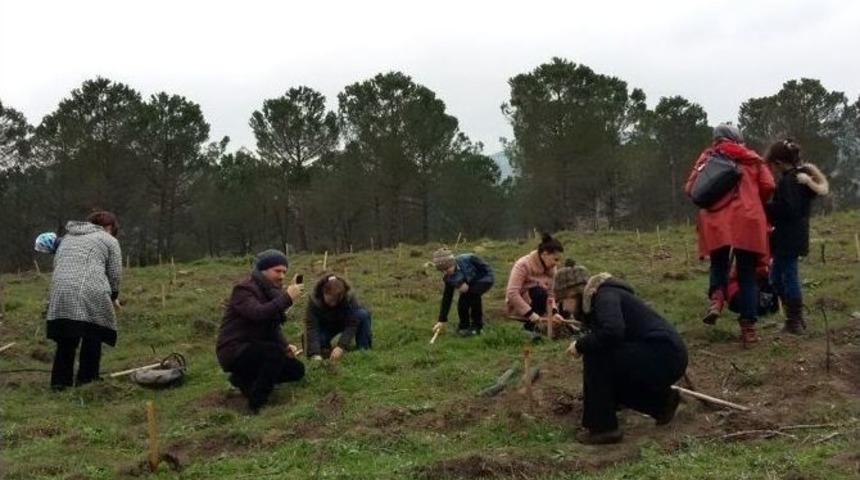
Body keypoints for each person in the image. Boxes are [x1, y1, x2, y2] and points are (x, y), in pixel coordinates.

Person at [561, 266, 688, 445]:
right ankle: (662, 404)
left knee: (595, 355)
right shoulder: (601, 298)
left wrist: (581, 345)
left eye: (563, 300)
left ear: (574, 293)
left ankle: (603, 428)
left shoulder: (604, 296)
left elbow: (612, 331)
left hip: (663, 354)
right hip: (664, 354)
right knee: (606, 378)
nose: (564, 308)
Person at [685, 123, 775, 345]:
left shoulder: (706, 158)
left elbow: (690, 189)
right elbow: (769, 185)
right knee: (747, 274)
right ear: (737, 138)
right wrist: (754, 199)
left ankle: (716, 301)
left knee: (718, 264)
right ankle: (749, 329)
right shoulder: (751, 158)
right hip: (748, 219)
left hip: (715, 220)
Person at [216, 249, 305, 413]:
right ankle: (256, 402)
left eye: (284, 272)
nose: (282, 276)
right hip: (235, 349)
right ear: (263, 270)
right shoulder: (244, 289)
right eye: (277, 271)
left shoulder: (270, 292)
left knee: (296, 369)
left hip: (255, 347)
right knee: (274, 353)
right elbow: (257, 314)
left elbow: (272, 326)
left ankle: (242, 378)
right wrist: (286, 298)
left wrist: (286, 346)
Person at [46, 211, 122, 390]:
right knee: (93, 333)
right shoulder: (109, 240)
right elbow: (115, 273)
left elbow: (57, 264)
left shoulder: (66, 239)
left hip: (61, 289)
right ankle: (87, 380)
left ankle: (60, 383)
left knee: (66, 337)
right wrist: (114, 295)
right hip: (92, 288)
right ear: (109, 227)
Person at [765, 138, 829, 334]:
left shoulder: (788, 182)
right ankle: (793, 318)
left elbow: (788, 209)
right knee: (777, 276)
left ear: (778, 163)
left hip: (788, 237)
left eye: (773, 165)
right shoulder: (801, 179)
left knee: (787, 276)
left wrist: (765, 208)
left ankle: (794, 320)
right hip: (795, 235)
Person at [505, 233, 564, 334]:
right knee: (539, 292)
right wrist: (530, 314)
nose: (557, 263)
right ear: (545, 254)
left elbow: (550, 294)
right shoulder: (523, 264)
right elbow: (512, 293)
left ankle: (536, 328)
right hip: (520, 305)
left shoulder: (552, 269)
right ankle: (528, 327)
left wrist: (554, 313)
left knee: (543, 293)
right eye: (555, 259)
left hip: (539, 304)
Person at [305, 274, 372, 361]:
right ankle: (323, 351)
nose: (332, 304)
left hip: (345, 321)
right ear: (323, 292)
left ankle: (363, 349)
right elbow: (312, 327)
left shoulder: (349, 297)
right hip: (326, 325)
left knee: (362, 314)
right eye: (329, 300)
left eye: (335, 301)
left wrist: (341, 346)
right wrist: (314, 354)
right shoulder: (314, 301)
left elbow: (353, 322)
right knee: (317, 341)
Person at [431, 248, 495, 337]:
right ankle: (463, 327)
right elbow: (447, 297)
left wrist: (474, 285)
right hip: (469, 283)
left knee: (473, 296)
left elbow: (487, 270)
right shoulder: (448, 277)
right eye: (442, 271)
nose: (445, 272)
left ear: (452, 263)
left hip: (484, 278)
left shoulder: (470, 258)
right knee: (462, 302)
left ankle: (477, 327)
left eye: (447, 268)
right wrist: (441, 320)